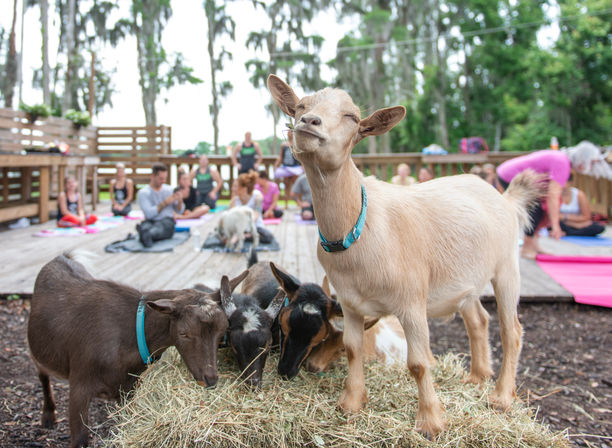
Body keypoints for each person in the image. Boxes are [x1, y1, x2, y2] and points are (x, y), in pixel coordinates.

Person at [496, 149, 571, 258]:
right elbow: (553, 196)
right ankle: (526, 247)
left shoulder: (561, 159)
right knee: (535, 208)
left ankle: (533, 245)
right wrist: (555, 225)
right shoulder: (562, 162)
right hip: (510, 175)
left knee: (538, 206)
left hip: (508, 172)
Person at [137, 163, 183, 247]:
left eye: (165, 178)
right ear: (152, 176)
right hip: (150, 220)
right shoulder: (143, 193)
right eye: (161, 178)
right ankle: (146, 233)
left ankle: (147, 235)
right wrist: (165, 203)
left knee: (161, 228)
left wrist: (180, 200)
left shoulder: (169, 190)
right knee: (147, 226)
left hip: (166, 221)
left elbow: (179, 211)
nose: (163, 181)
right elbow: (149, 214)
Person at [231, 171, 274, 243]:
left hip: (255, 227)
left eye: (235, 186)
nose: (233, 189)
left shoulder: (257, 196)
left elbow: (256, 215)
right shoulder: (234, 200)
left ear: (244, 188)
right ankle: (244, 236)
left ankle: (244, 236)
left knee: (268, 237)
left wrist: (243, 227)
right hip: (239, 228)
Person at [273, 130, 303, 205]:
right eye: (289, 132)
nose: (290, 133)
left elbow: (301, 157)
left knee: (296, 187)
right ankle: (286, 204)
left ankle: (298, 204)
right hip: (286, 168)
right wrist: (276, 165)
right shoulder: (284, 144)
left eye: (292, 132)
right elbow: (280, 157)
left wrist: (303, 166)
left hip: (295, 168)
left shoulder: (297, 144)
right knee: (286, 186)